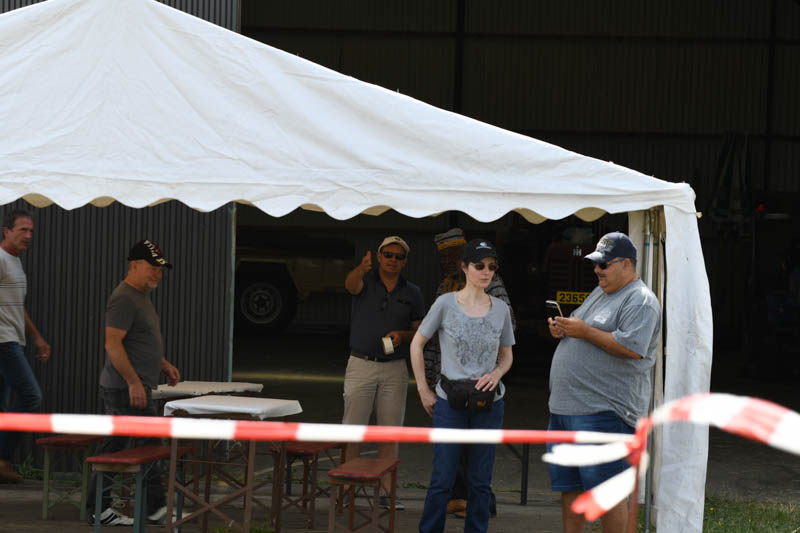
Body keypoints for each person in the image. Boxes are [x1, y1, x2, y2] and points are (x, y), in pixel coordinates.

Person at [547, 232, 661, 533]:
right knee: (570, 488)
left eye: (604, 264)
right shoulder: (601, 292)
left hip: (604, 413)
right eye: (596, 264)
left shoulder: (641, 300)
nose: (597, 270)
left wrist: (584, 332)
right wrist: (563, 328)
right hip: (567, 410)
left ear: (626, 264)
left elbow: (632, 348)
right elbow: (581, 328)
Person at [411, 239, 514, 533]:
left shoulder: (501, 309)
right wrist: (423, 389)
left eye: (492, 266)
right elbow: (417, 343)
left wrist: (497, 373)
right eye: (479, 265)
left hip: (489, 403)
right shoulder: (445, 303)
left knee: (480, 481)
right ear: (464, 267)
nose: (486, 272)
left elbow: (507, 354)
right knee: (443, 478)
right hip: (450, 401)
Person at [87, 240, 180, 526]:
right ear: (134, 265)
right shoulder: (124, 298)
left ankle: (100, 508)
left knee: (117, 446)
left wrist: (162, 364)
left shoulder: (140, 296)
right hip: (124, 388)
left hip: (130, 387)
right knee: (147, 444)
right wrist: (133, 383)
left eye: (161, 269)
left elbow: (138, 341)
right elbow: (112, 344)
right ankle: (154, 508)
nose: (158, 274)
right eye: (153, 268)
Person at [342, 235, 425, 510]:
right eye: (388, 255)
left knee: (390, 432)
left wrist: (403, 335)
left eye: (398, 257)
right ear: (378, 257)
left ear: (405, 261)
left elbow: (419, 331)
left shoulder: (412, 292)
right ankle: (347, 487)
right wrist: (361, 268)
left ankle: (387, 492)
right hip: (361, 364)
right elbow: (350, 285)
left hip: (394, 368)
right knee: (353, 429)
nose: (392, 260)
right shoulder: (365, 280)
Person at [0, 209, 51, 483]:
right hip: (3, 341)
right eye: (22, 230)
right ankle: (3, 458)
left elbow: (18, 306)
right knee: (31, 396)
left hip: (13, 339)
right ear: (6, 231)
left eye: (31, 231)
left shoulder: (15, 263)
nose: (28, 236)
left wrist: (37, 337)